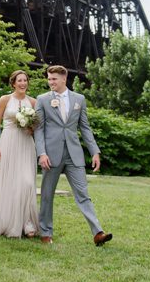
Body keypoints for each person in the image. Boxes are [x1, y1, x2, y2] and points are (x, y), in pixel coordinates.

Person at [34, 65, 112, 246]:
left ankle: (98, 232)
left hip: (74, 154)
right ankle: (46, 232)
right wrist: (42, 153)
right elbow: (39, 129)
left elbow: (84, 127)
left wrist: (95, 151)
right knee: (47, 194)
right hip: (51, 155)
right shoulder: (42, 99)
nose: (50, 82)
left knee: (83, 194)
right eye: (49, 79)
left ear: (64, 78)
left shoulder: (79, 99)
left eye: (54, 79)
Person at [0, 70, 39, 238]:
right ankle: (7, 222)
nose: (23, 83)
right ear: (13, 83)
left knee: (27, 183)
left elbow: (38, 128)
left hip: (26, 144)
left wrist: (30, 127)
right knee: (9, 183)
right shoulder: (5, 99)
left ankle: (27, 222)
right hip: (8, 142)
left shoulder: (33, 102)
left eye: (25, 80)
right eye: (19, 80)